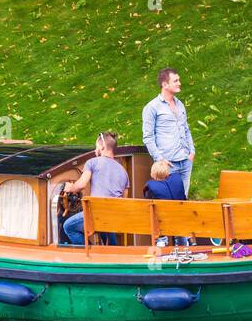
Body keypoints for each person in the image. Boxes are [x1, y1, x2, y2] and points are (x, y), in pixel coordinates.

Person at [142, 68, 195, 245]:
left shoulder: (180, 105)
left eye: (179, 80)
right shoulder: (152, 107)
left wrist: (192, 151)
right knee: (164, 203)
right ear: (165, 84)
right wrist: (159, 158)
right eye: (176, 81)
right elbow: (148, 137)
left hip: (185, 160)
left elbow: (186, 129)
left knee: (182, 202)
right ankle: (163, 239)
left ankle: (182, 241)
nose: (179, 83)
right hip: (167, 164)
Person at [62, 131, 129, 246]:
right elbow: (124, 199)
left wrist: (69, 188)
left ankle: (91, 251)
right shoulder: (124, 171)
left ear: (102, 147)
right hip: (113, 215)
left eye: (96, 147)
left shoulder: (92, 162)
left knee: (68, 227)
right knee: (105, 222)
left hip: (97, 213)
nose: (95, 151)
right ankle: (112, 249)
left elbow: (82, 184)